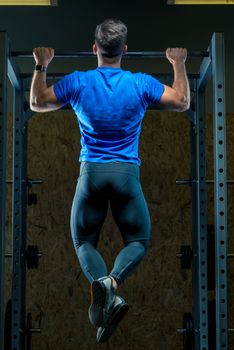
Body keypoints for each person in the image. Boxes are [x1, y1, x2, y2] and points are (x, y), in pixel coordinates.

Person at [30, 18, 190, 343]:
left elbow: (37, 103)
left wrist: (40, 65)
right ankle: (111, 284)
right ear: (125, 51)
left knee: (83, 242)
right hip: (125, 175)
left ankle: (104, 290)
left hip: (91, 174)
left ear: (95, 49)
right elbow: (182, 101)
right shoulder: (140, 84)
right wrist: (178, 63)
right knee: (138, 242)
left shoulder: (78, 82)